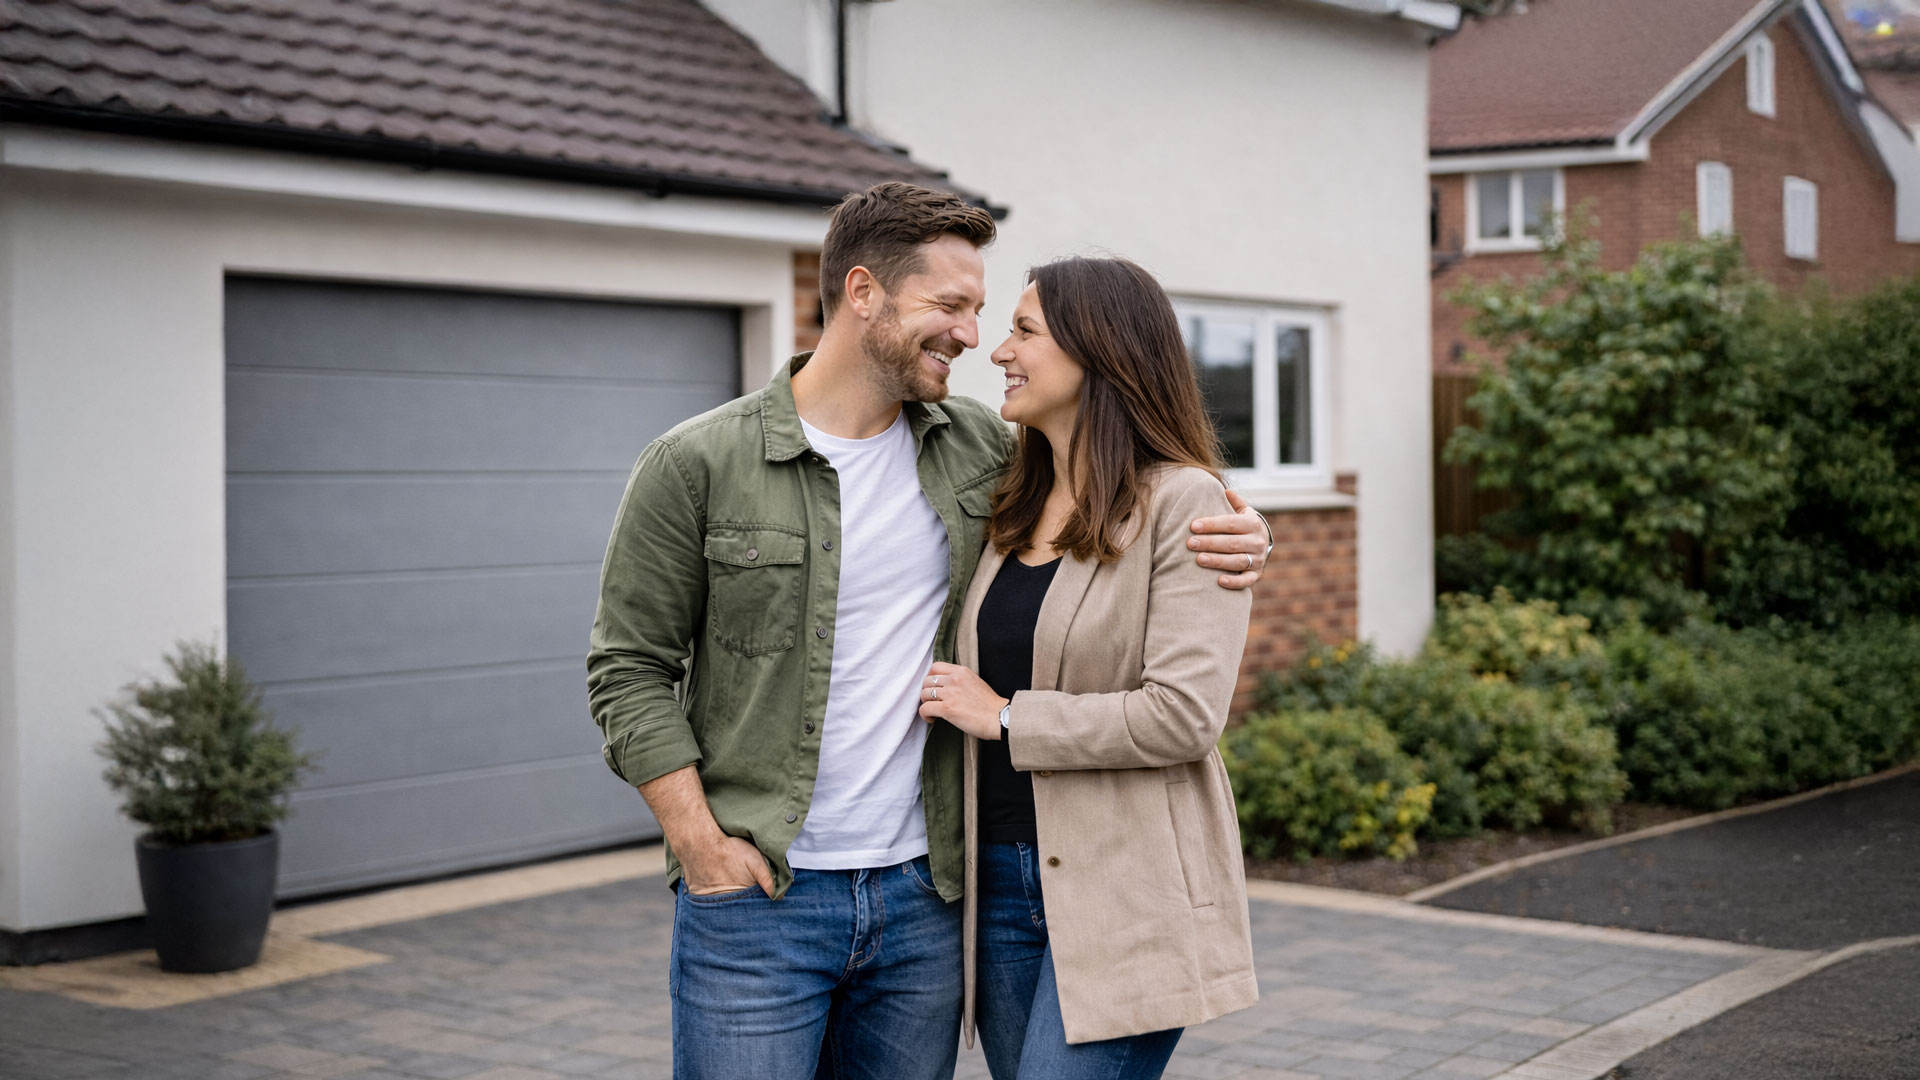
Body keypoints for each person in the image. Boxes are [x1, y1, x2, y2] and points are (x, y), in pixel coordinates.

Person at [587, 183, 1271, 1080]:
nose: (974, 336)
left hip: (929, 898)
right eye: (950, 306)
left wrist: (1247, 531)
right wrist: (698, 843)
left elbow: (1133, 485)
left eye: (988, 313)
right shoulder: (698, 463)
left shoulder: (980, 451)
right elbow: (628, 669)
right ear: (863, 292)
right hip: (761, 896)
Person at [917, 256, 1258, 1080]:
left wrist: (1003, 716)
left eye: (1024, 330)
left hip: (1130, 894)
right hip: (999, 884)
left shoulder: (1186, 504)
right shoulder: (1012, 496)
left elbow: (1182, 716)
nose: (998, 350)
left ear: (1099, 352)